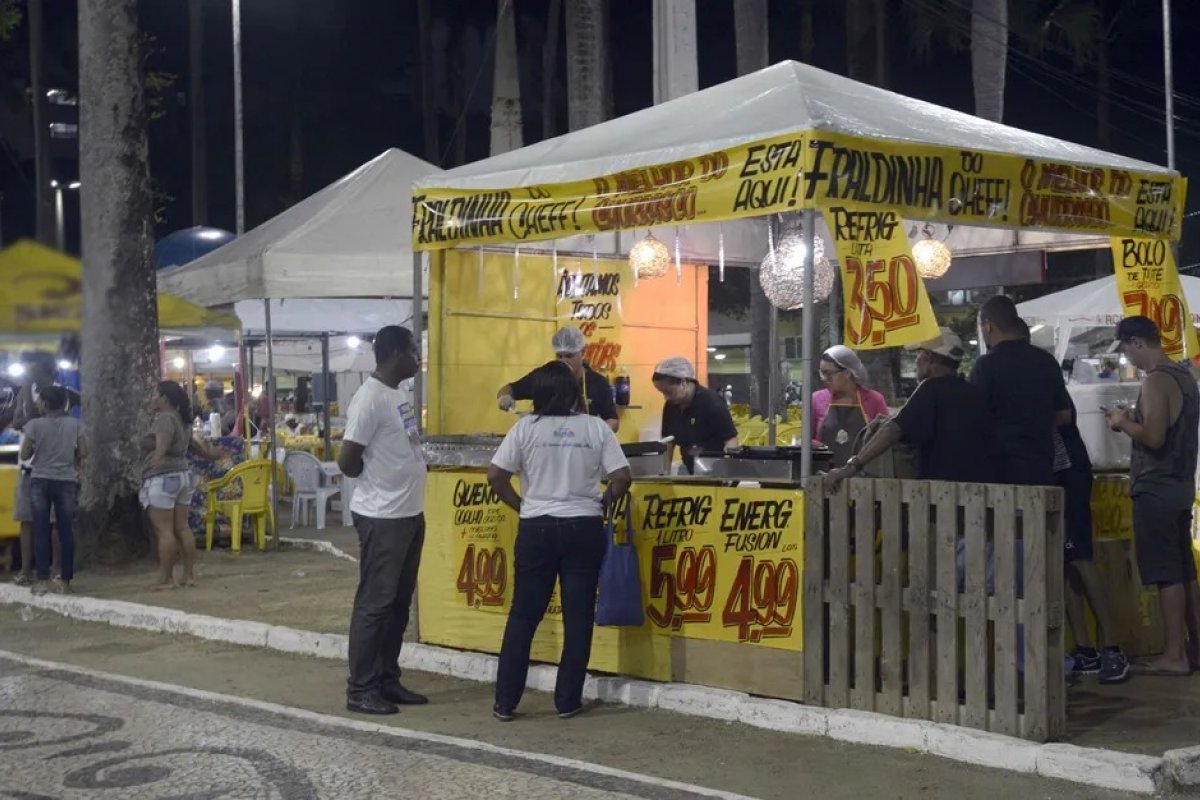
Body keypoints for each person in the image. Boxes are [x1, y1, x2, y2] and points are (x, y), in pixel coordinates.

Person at [487, 361, 632, 721]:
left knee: (524, 615)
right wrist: (601, 503)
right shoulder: (595, 427)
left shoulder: (525, 430)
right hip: (583, 527)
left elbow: (496, 476)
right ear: (573, 393)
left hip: (536, 528)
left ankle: (506, 701)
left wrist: (523, 507)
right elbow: (622, 477)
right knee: (578, 617)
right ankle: (567, 701)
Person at [337, 325, 428, 715]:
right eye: (413, 349)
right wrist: (370, 478)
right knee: (375, 604)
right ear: (394, 354)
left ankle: (387, 679)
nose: (418, 356)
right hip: (383, 516)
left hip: (408, 514)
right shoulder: (369, 398)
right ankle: (361, 689)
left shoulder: (398, 393)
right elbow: (347, 459)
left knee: (398, 604)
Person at [1107, 316, 1200, 676]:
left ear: (1137, 343)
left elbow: (1155, 437)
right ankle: (1193, 649)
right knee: (1184, 571)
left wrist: (1121, 422)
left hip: (1157, 487)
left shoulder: (1156, 381)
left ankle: (1174, 654)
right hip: (1179, 486)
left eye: (1127, 349)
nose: (1127, 357)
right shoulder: (1184, 378)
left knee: (1166, 574)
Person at [823, 329, 996, 490]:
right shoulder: (974, 392)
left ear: (930, 358)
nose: (916, 360)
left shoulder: (931, 388)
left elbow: (893, 429)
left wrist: (851, 467)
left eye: (918, 354)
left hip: (941, 494)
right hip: (978, 492)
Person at [1056, 392, 1130, 683]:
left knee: (1081, 559)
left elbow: (1064, 417)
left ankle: (1113, 647)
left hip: (1069, 475)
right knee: (1065, 563)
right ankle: (1086, 650)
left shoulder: (1044, 378)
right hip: (1052, 475)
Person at [971, 295, 1071, 486]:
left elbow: (974, 418)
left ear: (988, 325)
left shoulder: (985, 366)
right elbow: (1064, 415)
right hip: (1042, 465)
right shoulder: (1047, 361)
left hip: (1000, 470)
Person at [140, 381, 225, 590]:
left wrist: (155, 461)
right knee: (182, 528)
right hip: (184, 475)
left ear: (165, 399)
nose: (153, 399)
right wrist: (213, 455)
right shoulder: (183, 421)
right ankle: (189, 575)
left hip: (163, 478)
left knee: (164, 532)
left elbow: (162, 445)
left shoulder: (164, 420)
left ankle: (166, 578)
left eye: (156, 394)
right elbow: (195, 447)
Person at [18, 385, 86, 595]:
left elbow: (25, 454)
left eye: (39, 401)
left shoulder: (34, 425)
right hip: (66, 480)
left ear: (46, 404)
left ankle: (42, 581)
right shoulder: (75, 424)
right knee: (65, 530)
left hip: (40, 480)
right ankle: (65, 581)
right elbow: (84, 451)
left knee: (41, 530)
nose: (37, 404)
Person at [497, 326, 619, 433]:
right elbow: (508, 389)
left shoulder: (598, 383)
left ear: (583, 352)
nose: (563, 361)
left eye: (569, 356)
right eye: (559, 356)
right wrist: (504, 397)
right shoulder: (544, 377)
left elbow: (613, 420)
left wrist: (598, 434)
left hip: (584, 449)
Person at [9, 355, 61, 585]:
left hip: (53, 467)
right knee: (26, 520)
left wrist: (29, 413)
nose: (30, 374)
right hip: (28, 469)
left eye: (35, 370)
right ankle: (26, 571)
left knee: (55, 521)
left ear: (50, 374)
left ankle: (57, 568)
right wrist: (28, 403)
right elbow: (17, 420)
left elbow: (38, 420)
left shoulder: (60, 394)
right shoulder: (23, 392)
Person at [652, 356, 739, 474]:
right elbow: (668, 443)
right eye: (662, 393)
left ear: (683, 382)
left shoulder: (712, 403)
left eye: (669, 392)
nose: (666, 397)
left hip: (714, 471)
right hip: (688, 468)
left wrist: (728, 475)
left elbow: (731, 441)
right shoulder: (671, 406)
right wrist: (664, 474)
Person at [812, 345, 890, 468]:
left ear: (847, 373)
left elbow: (886, 442)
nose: (824, 379)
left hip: (863, 477)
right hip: (824, 475)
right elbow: (806, 441)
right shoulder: (817, 399)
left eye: (828, 373)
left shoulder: (874, 400)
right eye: (822, 373)